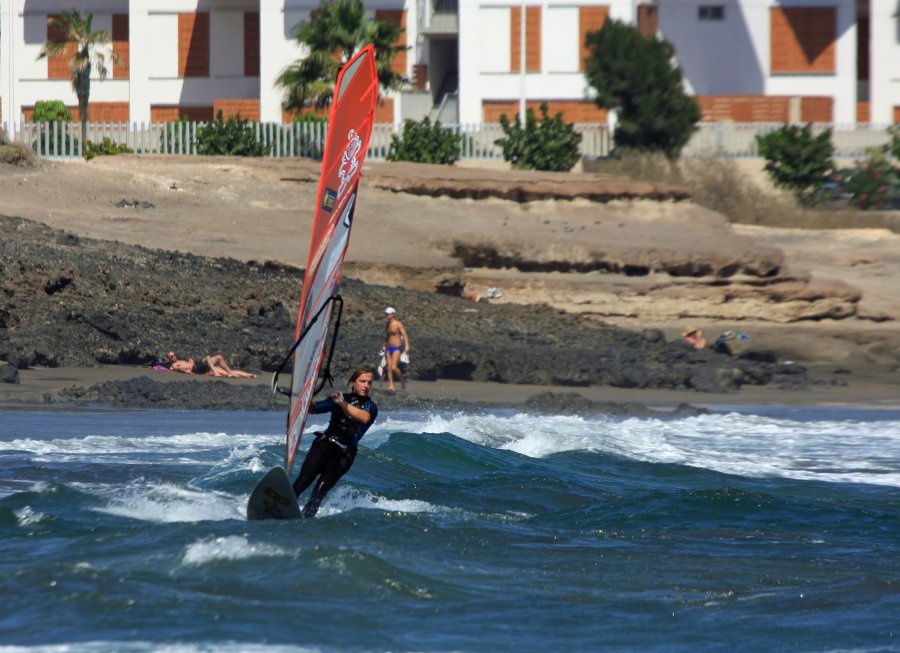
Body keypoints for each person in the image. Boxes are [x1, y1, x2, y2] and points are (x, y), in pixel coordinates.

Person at [292, 368, 378, 517]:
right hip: (323, 447)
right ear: (353, 382)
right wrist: (304, 397)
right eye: (362, 381)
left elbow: (364, 418)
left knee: (318, 494)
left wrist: (342, 404)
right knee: (301, 483)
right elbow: (315, 409)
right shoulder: (339, 398)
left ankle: (304, 523)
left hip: (344, 455)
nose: (366, 385)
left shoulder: (371, 407)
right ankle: (281, 511)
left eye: (369, 382)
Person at [163, 351, 256, 378]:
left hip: (199, 366)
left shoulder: (181, 360)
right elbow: (179, 369)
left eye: (174, 354)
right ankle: (215, 372)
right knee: (208, 357)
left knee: (219, 357)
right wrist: (186, 371)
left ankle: (247, 374)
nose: (174, 356)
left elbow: (185, 365)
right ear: (169, 359)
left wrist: (189, 361)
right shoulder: (174, 365)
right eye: (171, 356)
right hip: (196, 369)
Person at [383, 306, 409, 391]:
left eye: (388, 314)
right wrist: (384, 345)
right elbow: (388, 336)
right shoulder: (387, 324)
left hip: (396, 347)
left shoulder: (398, 323)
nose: (386, 316)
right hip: (388, 347)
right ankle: (391, 385)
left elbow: (404, 334)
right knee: (388, 367)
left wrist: (407, 346)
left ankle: (402, 381)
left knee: (394, 367)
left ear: (393, 314)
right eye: (386, 314)